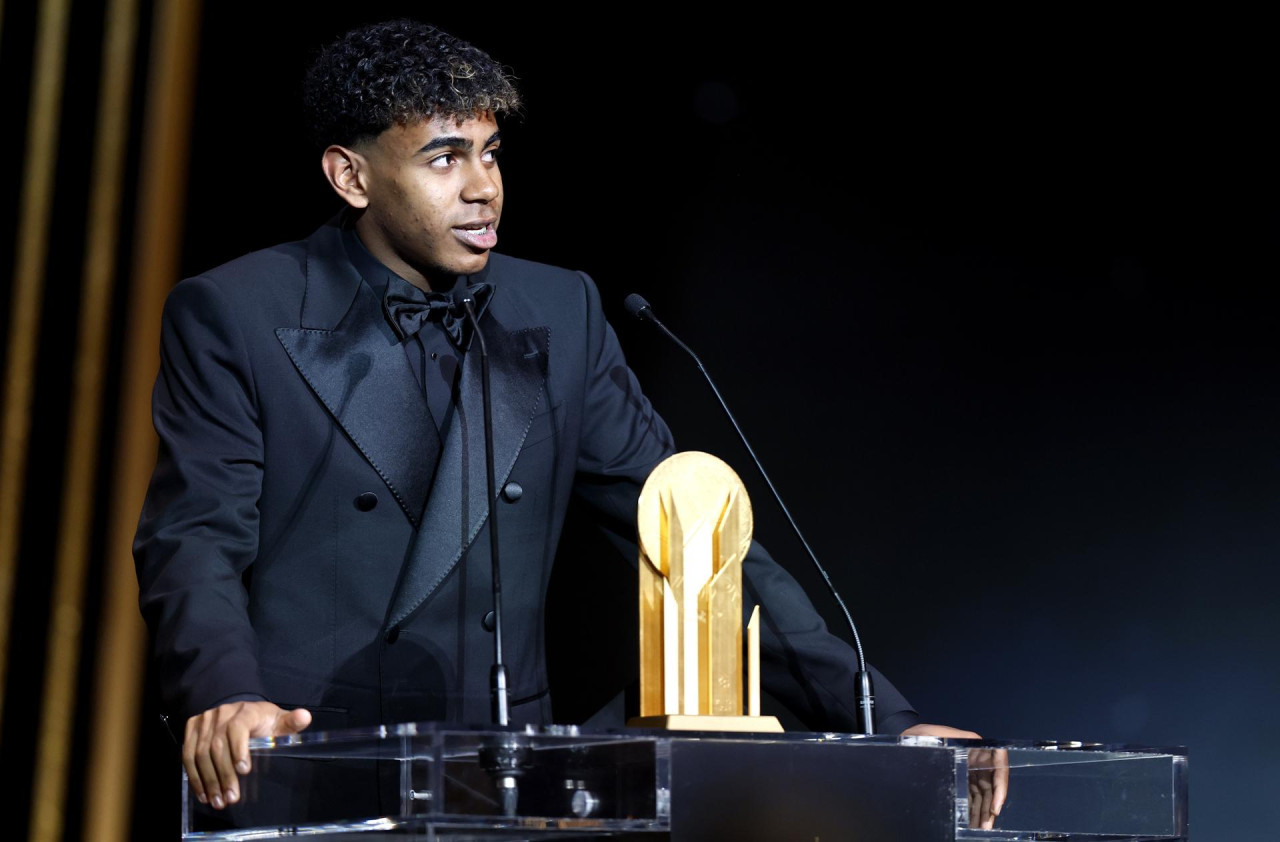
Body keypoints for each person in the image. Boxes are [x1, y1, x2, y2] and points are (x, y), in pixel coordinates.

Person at [133, 18, 1006, 829]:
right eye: (444, 160)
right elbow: (195, 536)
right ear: (351, 176)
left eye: (490, 153)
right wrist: (224, 695)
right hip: (309, 770)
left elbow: (692, 548)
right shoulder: (236, 312)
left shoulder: (559, 309)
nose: (484, 189)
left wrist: (883, 719)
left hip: (503, 791)